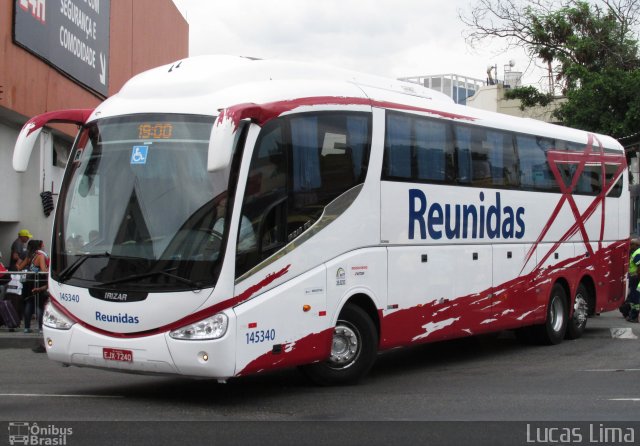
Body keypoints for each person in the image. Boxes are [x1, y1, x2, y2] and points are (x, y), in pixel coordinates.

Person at [17, 239, 49, 334]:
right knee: (39, 306)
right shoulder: (40, 256)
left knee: (29, 304)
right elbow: (43, 270)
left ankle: (26, 328)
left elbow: (19, 267)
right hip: (39, 282)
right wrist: (48, 269)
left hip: (29, 282)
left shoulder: (29, 256)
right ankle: (40, 328)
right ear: (39, 247)